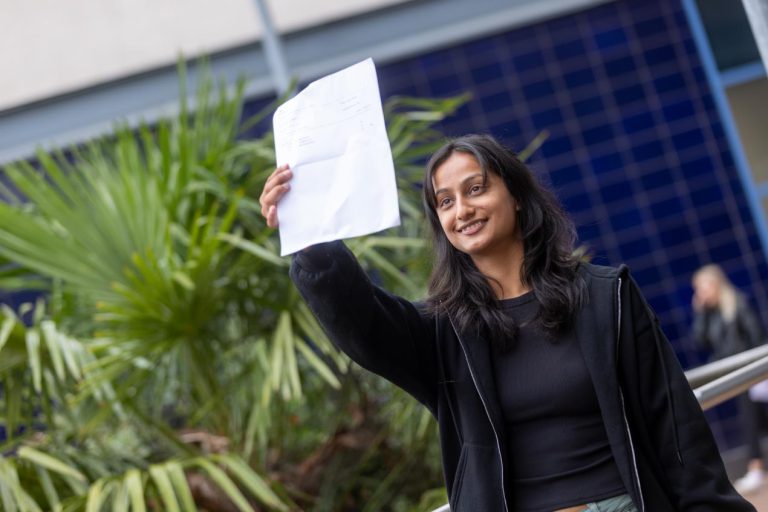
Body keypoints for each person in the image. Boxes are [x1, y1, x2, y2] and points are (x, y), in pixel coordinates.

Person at [260, 134, 754, 511]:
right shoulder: (442, 331)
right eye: (446, 201)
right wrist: (311, 237)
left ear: (515, 195)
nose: (463, 210)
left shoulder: (606, 297)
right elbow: (362, 323)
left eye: (476, 189)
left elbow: (677, 430)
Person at [692, 264, 766, 495]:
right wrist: (701, 312)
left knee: (752, 420)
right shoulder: (710, 314)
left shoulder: (738, 304)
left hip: (749, 373)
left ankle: (756, 467)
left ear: (716, 285)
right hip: (732, 375)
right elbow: (700, 340)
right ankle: (756, 466)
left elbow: (756, 336)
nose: (702, 293)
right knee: (753, 419)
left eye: (703, 288)